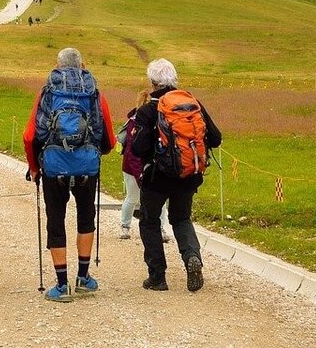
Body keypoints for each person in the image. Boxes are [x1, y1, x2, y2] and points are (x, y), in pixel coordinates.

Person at [23, 48, 115, 302]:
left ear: (57, 65)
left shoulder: (48, 92)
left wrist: (34, 166)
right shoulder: (94, 92)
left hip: (54, 166)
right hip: (87, 165)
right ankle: (83, 278)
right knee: (86, 218)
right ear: (82, 65)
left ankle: (62, 286)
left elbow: (31, 135)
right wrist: (97, 151)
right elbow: (107, 136)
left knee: (56, 221)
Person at [130, 58, 222, 293]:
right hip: (188, 173)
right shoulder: (192, 104)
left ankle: (157, 277)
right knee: (181, 219)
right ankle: (193, 258)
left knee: (149, 221)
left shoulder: (149, 110)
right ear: (175, 79)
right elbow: (216, 137)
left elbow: (139, 148)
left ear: (152, 82)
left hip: (156, 178)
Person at [117, 92, 170, 242]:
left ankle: (160, 228)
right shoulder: (135, 123)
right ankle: (125, 225)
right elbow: (132, 153)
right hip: (131, 167)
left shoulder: (154, 121)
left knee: (155, 198)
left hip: (149, 166)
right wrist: (139, 174)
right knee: (133, 197)